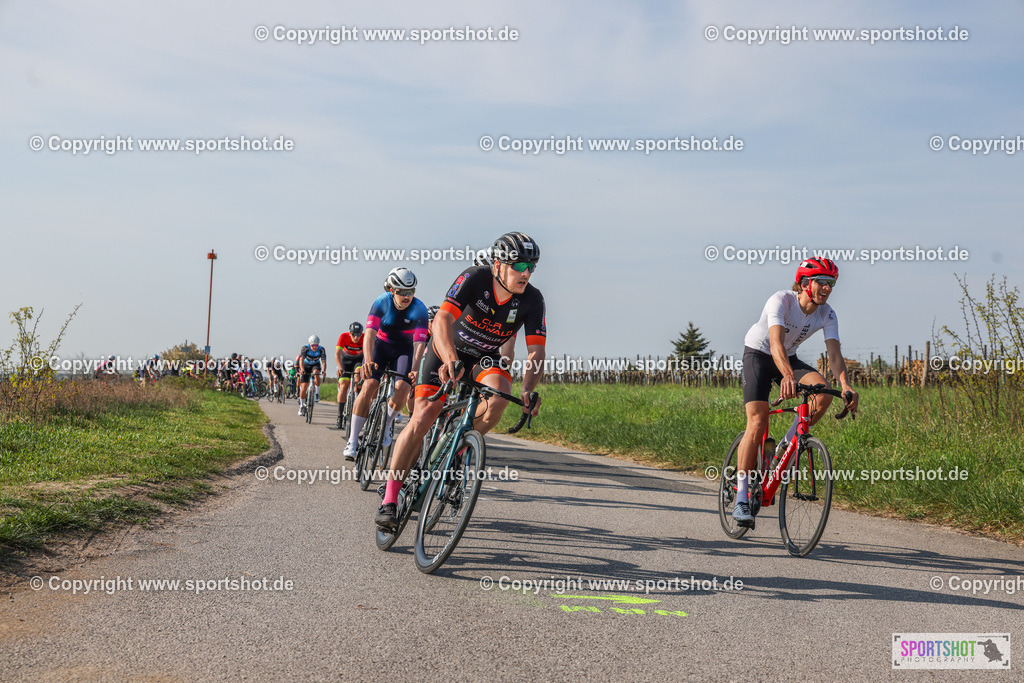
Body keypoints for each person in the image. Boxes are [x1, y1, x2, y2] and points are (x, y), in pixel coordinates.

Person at [375, 232, 546, 529]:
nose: (526, 273)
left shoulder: (533, 299)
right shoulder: (474, 278)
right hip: (447, 350)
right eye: (519, 266)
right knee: (424, 415)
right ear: (498, 265)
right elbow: (442, 319)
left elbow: (536, 350)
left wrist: (528, 389)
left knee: (499, 396)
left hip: (483, 357)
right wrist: (450, 357)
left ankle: (457, 447)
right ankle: (390, 498)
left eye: (532, 266)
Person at [732, 257, 860, 527]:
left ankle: (783, 446)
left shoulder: (828, 313)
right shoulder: (781, 300)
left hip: (787, 357)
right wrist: (787, 376)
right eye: (822, 282)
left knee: (823, 392)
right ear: (804, 283)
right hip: (759, 354)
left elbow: (834, 355)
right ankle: (742, 496)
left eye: (832, 283)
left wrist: (846, 385)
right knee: (757, 420)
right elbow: (775, 342)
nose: (828, 288)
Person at [343, 268, 429, 459]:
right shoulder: (381, 302)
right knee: (370, 385)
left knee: (402, 387)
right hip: (380, 346)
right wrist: (368, 360)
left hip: (403, 350)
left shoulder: (420, 309)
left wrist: (415, 370)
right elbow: (370, 334)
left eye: (411, 292)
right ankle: (353, 440)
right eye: (402, 292)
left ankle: (388, 422)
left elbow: (419, 343)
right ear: (392, 290)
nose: (407, 296)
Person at [334, 322, 365, 428]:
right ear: (350, 333)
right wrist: (340, 368)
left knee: (358, 377)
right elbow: (337, 353)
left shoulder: (365, 337)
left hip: (358, 361)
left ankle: (359, 402)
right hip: (345, 361)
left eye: (358, 334)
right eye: (353, 334)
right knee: (343, 386)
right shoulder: (343, 336)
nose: (356, 337)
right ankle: (339, 416)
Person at [298, 335, 326, 415]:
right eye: (313, 345)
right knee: (303, 387)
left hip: (315, 365)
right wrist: (302, 369)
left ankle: (316, 393)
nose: (315, 347)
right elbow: (301, 359)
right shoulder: (305, 348)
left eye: (316, 345)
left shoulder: (321, 349)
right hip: (306, 366)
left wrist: (323, 370)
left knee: (317, 373)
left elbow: (323, 361)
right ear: (310, 344)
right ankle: (301, 405)